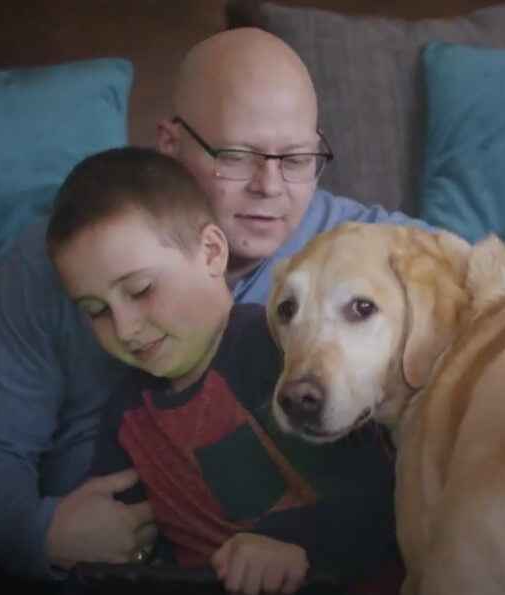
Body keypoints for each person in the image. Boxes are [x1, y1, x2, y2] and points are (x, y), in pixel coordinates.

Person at [0, 26, 427, 595]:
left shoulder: (371, 249)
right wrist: (42, 533)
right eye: (237, 156)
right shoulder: (64, 258)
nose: (270, 186)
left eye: (297, 158)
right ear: (170, 143)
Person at [46, 146, 401, 595]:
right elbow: (124, 541)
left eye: (140, 289)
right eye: (96, 310)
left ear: (213, 252)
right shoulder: (127, 414)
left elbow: (383, 494)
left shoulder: (280, 349)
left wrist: (293, 544)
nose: (125, 328)